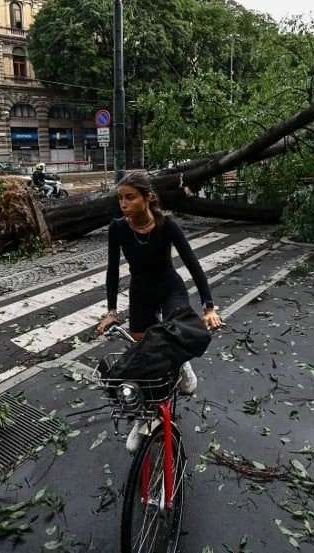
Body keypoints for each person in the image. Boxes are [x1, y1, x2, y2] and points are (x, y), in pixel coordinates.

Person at [94, 170, 223, 452]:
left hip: (169, 288)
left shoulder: (167, 225)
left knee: (175, 331)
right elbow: (112, 271)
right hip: (141, 292)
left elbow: (193, 265)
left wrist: (208, 306)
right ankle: (144, 421)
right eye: (120, 198)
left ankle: (184, 366)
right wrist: (112, 310)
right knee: (146, 360)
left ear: (147, 198)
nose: (123, 203)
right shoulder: (117, 228)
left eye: (130, 197)